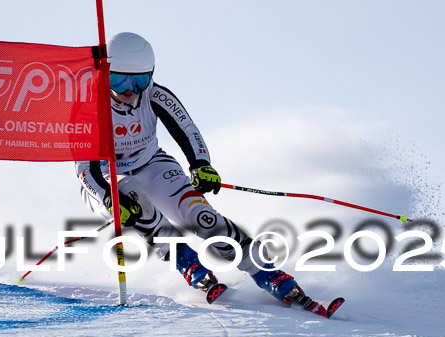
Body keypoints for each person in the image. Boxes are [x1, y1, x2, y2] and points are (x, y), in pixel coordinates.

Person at [75, 32, 316, 310]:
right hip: (104, 178)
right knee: (132, 195)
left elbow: (187, 130)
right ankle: (187, 262)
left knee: (201, 216)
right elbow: (85, 168)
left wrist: (201, 164)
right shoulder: (87, 107)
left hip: (152, 164)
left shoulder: (154, 94)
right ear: (105, 74)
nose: (130, 89)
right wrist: (107, 196)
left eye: (139, 79)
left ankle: (268, 273)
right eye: (119, 79)